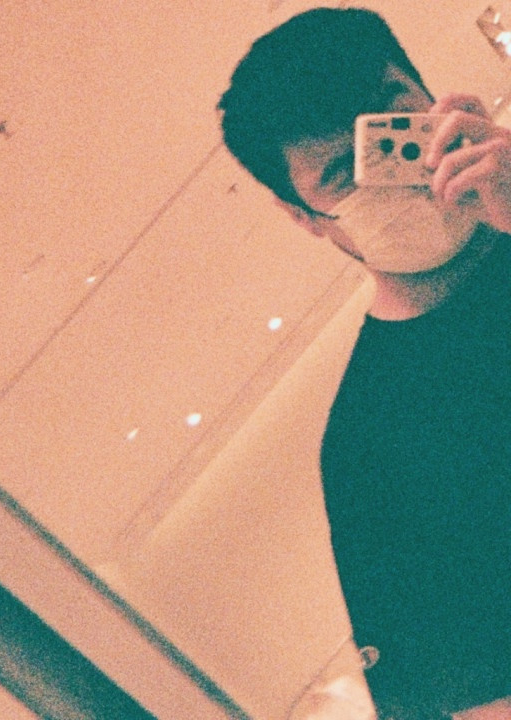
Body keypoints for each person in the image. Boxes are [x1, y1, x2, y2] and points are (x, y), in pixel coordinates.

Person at [218, 8, 510, 720]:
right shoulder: (371, 448)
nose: (392, 180)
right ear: (303, 216)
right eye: (343, 174)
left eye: (394, 130)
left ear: (435, 101)